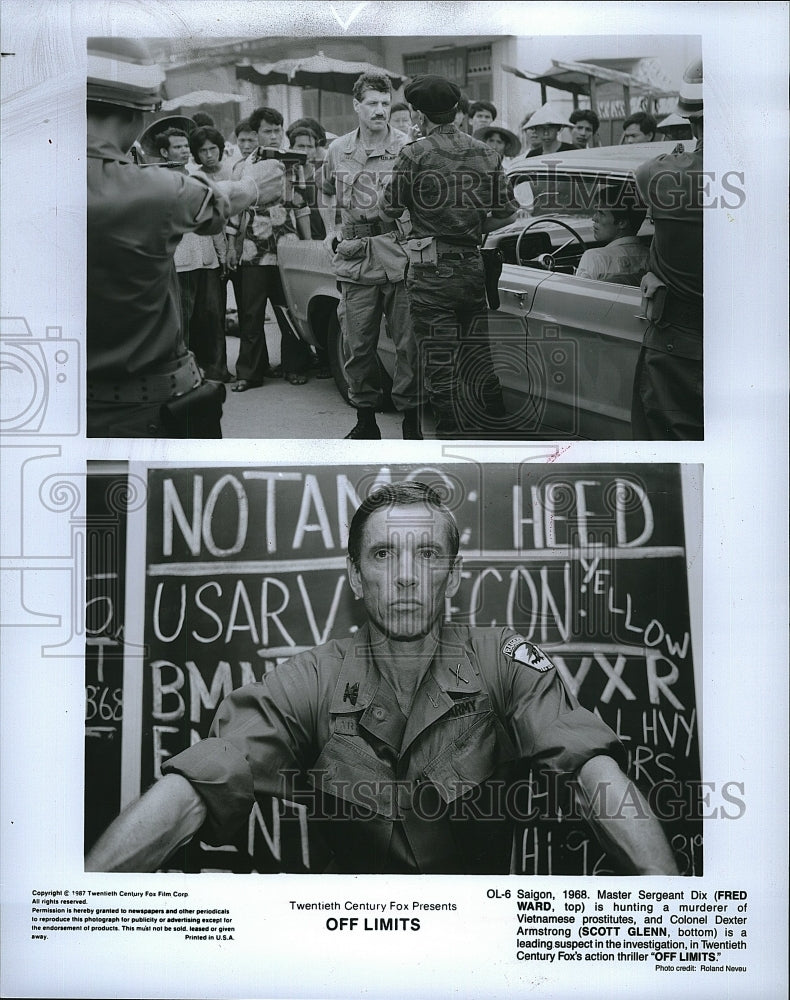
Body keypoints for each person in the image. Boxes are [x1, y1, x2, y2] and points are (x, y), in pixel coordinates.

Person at [85, 482, 679, 876]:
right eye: (382, 555)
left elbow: (588, 770)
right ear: (353, 575)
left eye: (427, 555)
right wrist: (82, 904)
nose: (404, 577)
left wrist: (672, 911)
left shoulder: (502, 658)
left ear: (453, 574)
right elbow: (203, 779)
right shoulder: (315, 675)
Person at [86, 38, 285, 438]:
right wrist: (255, 181)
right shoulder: (149, 189)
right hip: (144, 409)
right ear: (143, 109)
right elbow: (222, 199)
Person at [380, 75, 520, 438]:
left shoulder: (414, 153)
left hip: (431, 271)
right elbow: (508, 213)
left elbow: (387, 211)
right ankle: (499, 428)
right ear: (456, 111)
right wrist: (474, 227)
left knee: (441, 364)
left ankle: (451, 435)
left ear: (419, 114)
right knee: (479, 355)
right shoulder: (487, 152)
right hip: (472, 266)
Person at [321, 73, 421, 440]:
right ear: (356, 106)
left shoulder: (408, 148)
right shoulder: (338, 149)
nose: (380, 110)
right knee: (356, 343)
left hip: (398, 254)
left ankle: (411, 424)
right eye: (373, 104)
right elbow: (326, 190)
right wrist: (330, 230)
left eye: (384, 103)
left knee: (409, 344)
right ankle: (366, 422)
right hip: (355, 255)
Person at [630, 60, 704, 440]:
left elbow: (642, 174)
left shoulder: (663, 174)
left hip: (679, 342)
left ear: (691, 121)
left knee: (670, 458)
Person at [231, 106, 314, 390]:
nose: (275, 135)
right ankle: (249, 373)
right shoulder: (244, 167)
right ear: (255, 134)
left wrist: (307, 244)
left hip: (288, 248)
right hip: (253, 250)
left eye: (278, 129)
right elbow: (235, 210)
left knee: (289, 310)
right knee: (252, 313)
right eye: (268, 130)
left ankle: (295, 366)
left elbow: (301, 206)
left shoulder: (294, 162)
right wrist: (233, 245)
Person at [158, 128, 233, 383]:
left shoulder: (197, 180)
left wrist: (223, 255)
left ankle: (217, 371)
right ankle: (186, 376)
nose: (183, 151)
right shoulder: (158, 184)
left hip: (207, 260)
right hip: (180, 265)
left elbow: (215, 221)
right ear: (163, 152)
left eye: (185, 146)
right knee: (183, 324)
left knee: (213, 318)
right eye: (176, 147)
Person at [575, 190, 649, 285]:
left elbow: (579, 296)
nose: (594, 218)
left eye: (601, 213)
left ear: (622, 223)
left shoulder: (594, 258)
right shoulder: (652, 257)